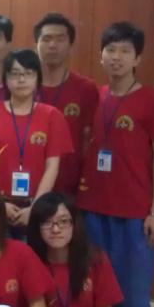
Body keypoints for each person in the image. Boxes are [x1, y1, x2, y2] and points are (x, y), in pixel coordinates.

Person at [77, 21, 154, 307]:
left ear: (137, 58)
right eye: (111, 50)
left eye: (125, 51)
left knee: (132, 286)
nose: (116, 57)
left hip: (133, 211)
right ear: (101, 55)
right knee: (98, 284)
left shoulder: (151, 100)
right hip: (92, 208)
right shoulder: (96, 96)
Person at [0, 50, 72, 236]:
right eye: (15, 74)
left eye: (28, 74)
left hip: (38, 207)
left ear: (37, 78)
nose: (21, 80)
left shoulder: (52, 115)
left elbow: (52, 167)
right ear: (5, 79)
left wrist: (35, 208)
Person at [26, 193, 123, 307]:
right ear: (37, 227)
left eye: (63, 221)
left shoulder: (96, 259)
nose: (55, 229)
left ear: (74, 224)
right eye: (47, 222)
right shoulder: (28, 260)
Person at [34, 13, 99, 197]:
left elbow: (88, 140)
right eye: (46, 39)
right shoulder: (23, 87)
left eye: (60, 39)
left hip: (69, 186)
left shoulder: (85, 88)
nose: (53, 45)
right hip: (29, 184)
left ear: (70, 45)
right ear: (36, 44)